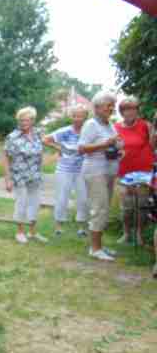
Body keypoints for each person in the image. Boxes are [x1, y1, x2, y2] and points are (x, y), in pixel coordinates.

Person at [78, 91, 120, 261]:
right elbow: (81, 148)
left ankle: (99, 246)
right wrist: (105, 144)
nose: (112, 108)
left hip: (108, 170)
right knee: (99, 209)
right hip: (95, 172)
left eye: (112, 105)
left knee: (104, 209)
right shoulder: (91, 124)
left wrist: (118, 150)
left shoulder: (109, 124)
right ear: (96, 108)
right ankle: (95, 249)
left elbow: (109, 146)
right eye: (108, 105)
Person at [114, 95, 156, 245]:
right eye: (126, 109)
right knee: (127, 205)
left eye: (133, 109)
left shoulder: (146, 125)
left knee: (142, 205)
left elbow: (153, 146)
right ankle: (126, 233)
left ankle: (139, 234)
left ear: (137, 111)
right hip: (124, 171)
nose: (130, 112)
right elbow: (113, 148)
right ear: (122, 112)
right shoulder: (115, 127)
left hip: (144, 170)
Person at [3, 106, 48, 244]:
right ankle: (20, 232)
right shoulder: (13, 137)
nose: (23, 123)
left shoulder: (38, 134)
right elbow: (5, 158)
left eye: (26, 120)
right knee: (21, 203)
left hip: (35, 175)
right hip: (19, 176)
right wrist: (8, 179)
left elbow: (43, 151)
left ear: (32, 120)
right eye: (21, 121)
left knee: (34, 203)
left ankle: (33, 232)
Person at [42, 104, 90, 237]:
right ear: (71, 117)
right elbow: (45, 139)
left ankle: (82, 227)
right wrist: (60, 149)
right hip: (64, 170)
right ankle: (58, 226)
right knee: (62, 198)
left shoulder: (88, 131)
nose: (77, 118)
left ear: (85, 116)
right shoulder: (65, 131)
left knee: (83, 199)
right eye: (74, 116)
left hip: (82, 170)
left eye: (80, 116)